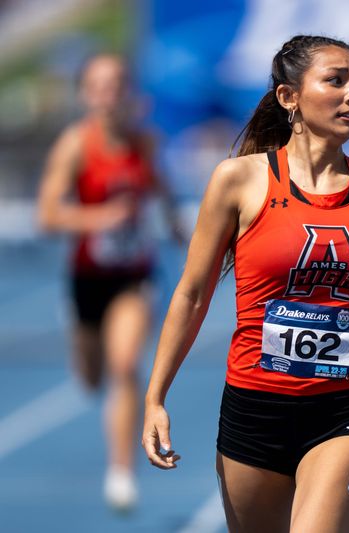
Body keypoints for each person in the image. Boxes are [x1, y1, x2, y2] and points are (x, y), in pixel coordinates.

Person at [141, 35, 349, 532]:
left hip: (347, 412)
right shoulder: (237, 181)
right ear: (289, 96)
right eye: (336, 81)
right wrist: (155, 397)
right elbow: (192, 295)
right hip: (253, 412)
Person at [37, 53, 183, 512]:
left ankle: (121, 473)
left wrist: (181, 230)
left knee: (124, 367)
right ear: (86, 94)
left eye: (117, 84)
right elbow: (48, 215)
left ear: (129, 93)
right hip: (87, 279)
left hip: (134, 277)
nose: (109, 95)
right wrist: (100, 218)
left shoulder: (145, 144)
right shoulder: (76, 145)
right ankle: (79, 330)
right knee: (91, 378)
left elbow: (163, 192)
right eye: (99, 86)